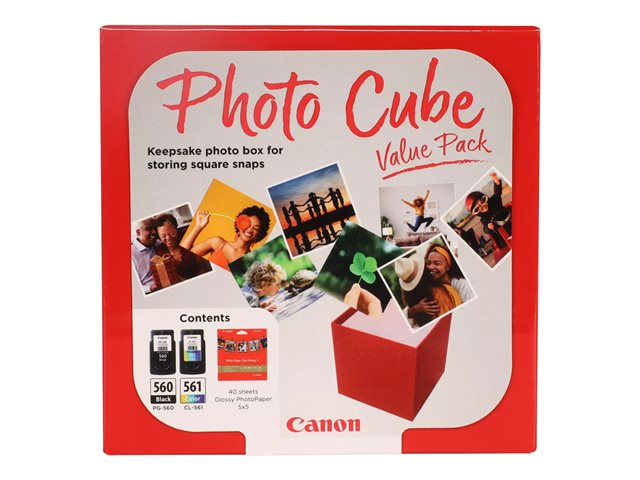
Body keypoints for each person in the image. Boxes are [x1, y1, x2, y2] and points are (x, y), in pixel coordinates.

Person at [180, 205, 271, 271]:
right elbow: (182, 256)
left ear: (260, 234)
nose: (250, 229)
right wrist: (198, 226)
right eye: (248, 224)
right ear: (239, 223)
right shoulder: (217, 243)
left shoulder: (252, 262)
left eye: (256, 228)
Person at [395, 255, 461, 328]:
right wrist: (414, 310)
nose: (430, 267)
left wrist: (413, 310)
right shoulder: (447, 290)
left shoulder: (413, 302)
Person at [151, 214, 212, 291]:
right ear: (158, 236)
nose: (168, 238)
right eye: (163, 236)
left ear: (176, 229)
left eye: (171, 233)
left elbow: (203, 268)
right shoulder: (160, 251)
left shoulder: (188, 240)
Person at [465, 172, 512, 249]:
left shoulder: (495, 201)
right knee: (504, 241)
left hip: (511, 222)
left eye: (482, 201)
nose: (482, 206)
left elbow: (497, 193)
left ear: (485, 198)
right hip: (504, 236)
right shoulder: (484, 219)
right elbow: (486, 229)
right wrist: (489, 226)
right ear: (477, 212)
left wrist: (496, 181)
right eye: (478, 208)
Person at [131, 218, 161, 293]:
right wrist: (150, 288)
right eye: (149, 229)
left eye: (155, 228)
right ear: (138, 232)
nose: (154, 232)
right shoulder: (131, 254)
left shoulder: (158, 243)